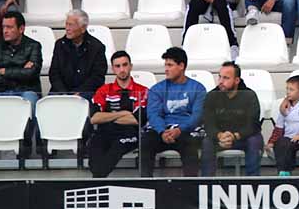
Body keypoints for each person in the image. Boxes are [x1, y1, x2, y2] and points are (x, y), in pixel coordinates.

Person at [141, 46, 207, 177]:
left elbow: (197, 115)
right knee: (146, 142)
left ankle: (190, 189)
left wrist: (179, 130)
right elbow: (153, 114)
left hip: (185, 131)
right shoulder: (157, 89)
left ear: (181, 66)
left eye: (170, 65)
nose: (166, 69)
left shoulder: (198, 88)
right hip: (162, 131)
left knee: (191, 146)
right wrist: (162, 131)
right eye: (165, 65)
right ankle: (146, 187)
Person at [87, 50, 150, 178]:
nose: (122, 69)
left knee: (117, 146)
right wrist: (123, 113)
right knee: (94, 146)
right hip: (105, 132)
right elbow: (94, 118)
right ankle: (98, 181)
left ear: (130, 66)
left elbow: (137, 120)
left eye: (125, 65)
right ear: (113, 69)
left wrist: (107, 117)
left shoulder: (143, 91)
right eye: (118, 66)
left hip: (131, 133)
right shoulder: (104, 90)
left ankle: (97, 181)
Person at [201, 62, 263, 176]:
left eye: (226, 78)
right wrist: (219, 135)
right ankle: (207, 183)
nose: (220, 81)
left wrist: (235, 136)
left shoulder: (249, 95)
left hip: (243, 137)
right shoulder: (211, 96)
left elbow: (252, 124)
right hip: (220, 138)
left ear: (237, 80)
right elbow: (208, 123)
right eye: (219, 77)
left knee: (254, 141)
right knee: (207, 142)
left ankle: (253, 183)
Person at [0, 10, 43, 110]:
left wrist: (5, 71)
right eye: (3, 27)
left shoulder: (34, 46)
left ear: (21, 29)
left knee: (29, 103)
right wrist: (20, 73)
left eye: (9, 27)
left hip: (25, 91)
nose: (5, 31)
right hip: (0, 91)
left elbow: (32, 73)